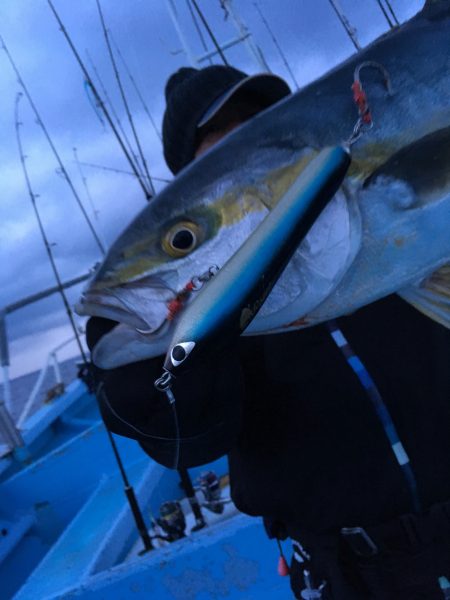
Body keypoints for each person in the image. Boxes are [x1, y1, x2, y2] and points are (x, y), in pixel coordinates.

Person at [86, 65, 450, 599]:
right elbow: (198, 431)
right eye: (217, 153)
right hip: (353, 574)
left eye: (265, 130)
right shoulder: (211, 321)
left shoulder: (397, 233)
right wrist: (160, 394)